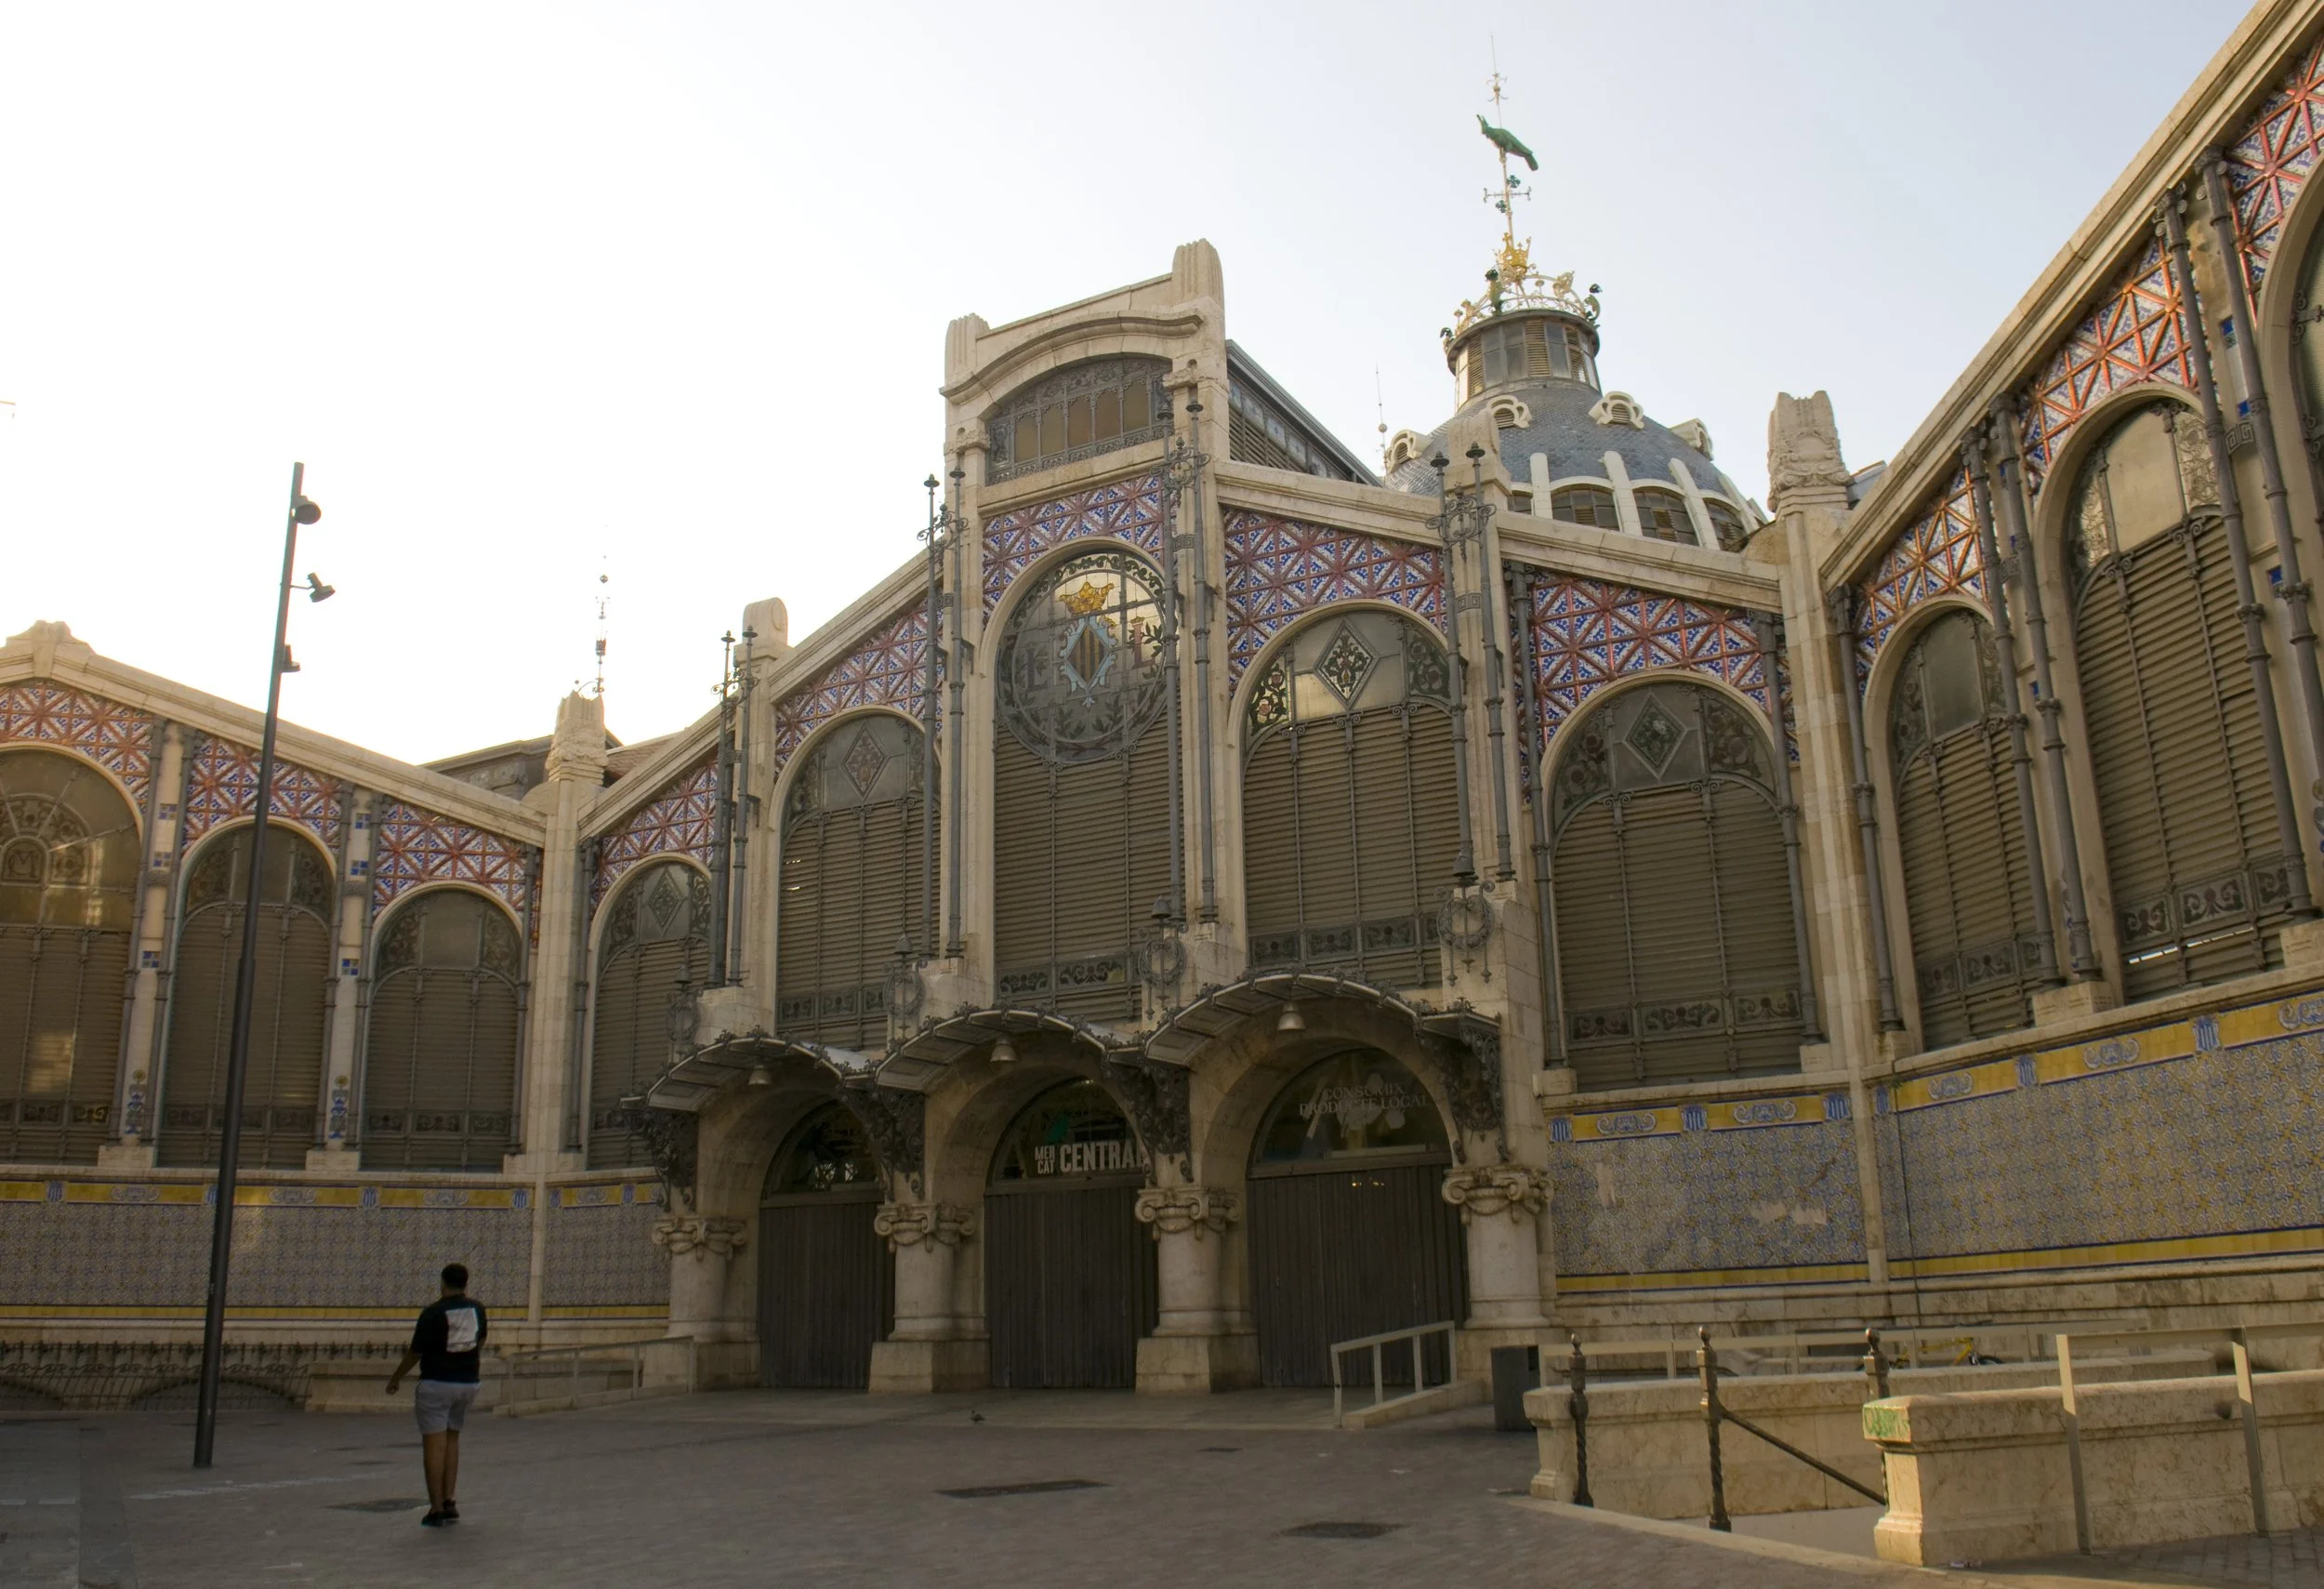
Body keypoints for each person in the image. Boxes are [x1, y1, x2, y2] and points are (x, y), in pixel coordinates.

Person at [386, 1263, 487, 1528]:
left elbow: (415, 1352)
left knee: (434, 1445)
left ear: (442, 1282)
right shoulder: (477, 1309)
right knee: (452, 1439)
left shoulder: (433, 1312)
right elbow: (480, 1341)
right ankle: (450, 1500)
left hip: (437, 1383)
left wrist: (396, 1378)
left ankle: (436, 1508)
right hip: (467, 1383)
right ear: (466, 1283)